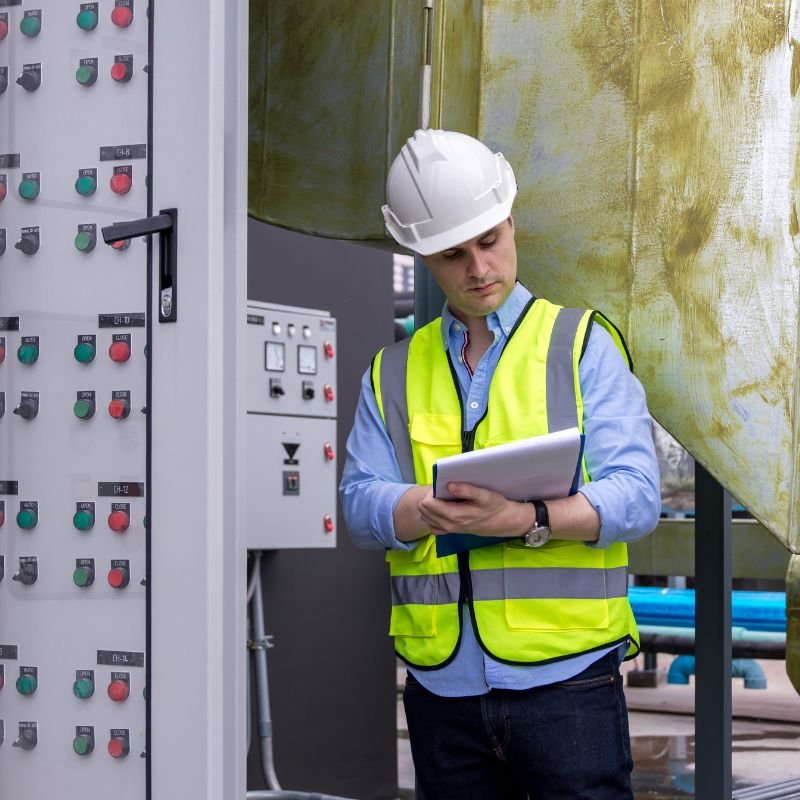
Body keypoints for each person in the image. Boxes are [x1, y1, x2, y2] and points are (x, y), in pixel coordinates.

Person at [340, 129, 660, 799]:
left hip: (567, 684)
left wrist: (524, 517)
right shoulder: (391, 371)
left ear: (510, 220)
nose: (478, 268)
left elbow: (636, 496)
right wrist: (418, 509)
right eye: (453, 254)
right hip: (439, 689)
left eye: (489, 240)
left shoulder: (581, 345)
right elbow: (357, 505)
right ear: (422, 255)